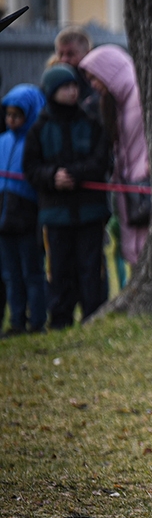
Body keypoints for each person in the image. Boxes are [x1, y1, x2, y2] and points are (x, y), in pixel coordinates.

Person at [23, 65, 110, 329]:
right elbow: (31, 167)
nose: (72, 92)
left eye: (74, 86)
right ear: (52, 91)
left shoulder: (91, 122)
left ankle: (92, 316)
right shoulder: (39, 129)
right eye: (65, 87)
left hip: (90, 212)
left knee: (91, 268)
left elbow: (102, 160)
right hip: (56, 214)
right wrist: (53, 177)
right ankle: (60, 319)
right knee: (59, 270)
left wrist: (75, 174)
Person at [79, 45, 151, 266]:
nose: (93, 85)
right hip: (129, 190)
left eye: (95, 78)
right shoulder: (116, 104)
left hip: (144, 187)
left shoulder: (140, 96)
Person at [0, 84, 47, 335]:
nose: (11, 120)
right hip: (4, 218)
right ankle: (16, 319)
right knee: (11, 274)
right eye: (8, 115)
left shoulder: (36, 140)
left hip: (28, 217)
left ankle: (37, 320)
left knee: (32, 272)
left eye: (17, 115)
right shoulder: (2, 142)